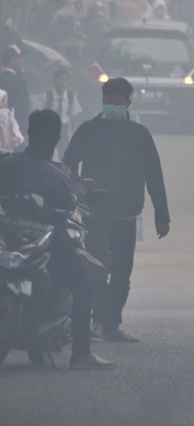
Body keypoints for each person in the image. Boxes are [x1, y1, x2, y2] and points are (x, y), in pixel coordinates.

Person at [0, 110, 115, 369]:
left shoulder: (9, 163)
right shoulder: (54, 177)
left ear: (28, 133)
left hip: (8, 237)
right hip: (45, 241)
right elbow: (66, 205)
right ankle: (82, 354)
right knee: (84, 287)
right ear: (57, 137)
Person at [63, 78, 171, 343]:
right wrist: (76, 185)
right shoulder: (88, 130)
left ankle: (112, 325)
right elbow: (67, 163)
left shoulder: (139, 135)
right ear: (102, 102)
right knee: (99, 270)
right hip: (94, 214)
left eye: (117, 103)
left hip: (127, 215)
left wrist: (162, 214)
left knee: (122, 275)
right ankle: (98, 321)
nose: (112, 107)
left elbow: (154, 174)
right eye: (108, 102)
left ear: (128, 104)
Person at [36, 68, 82, 158]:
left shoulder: (70, 97)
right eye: (60, 79)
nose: (62, 83)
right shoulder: (47, 96)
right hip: (48, 128)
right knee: (46, 153)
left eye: (65, 80)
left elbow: (73, 116)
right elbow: (37, 113)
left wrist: (75, 133)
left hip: (62, 129)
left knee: (64, 153)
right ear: (54, 81)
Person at [0, 44, 32, 131]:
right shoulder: (20, 81)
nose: (22, 61)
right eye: (20, 58)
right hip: (15, 129)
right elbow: (24, 108)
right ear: (12, 60)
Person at [0, 89, 24, 154]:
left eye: (5, 100)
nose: (5, 103)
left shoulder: (10, 118)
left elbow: (19, 135)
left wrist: (16, 139)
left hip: (8, 155)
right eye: (2, 100)